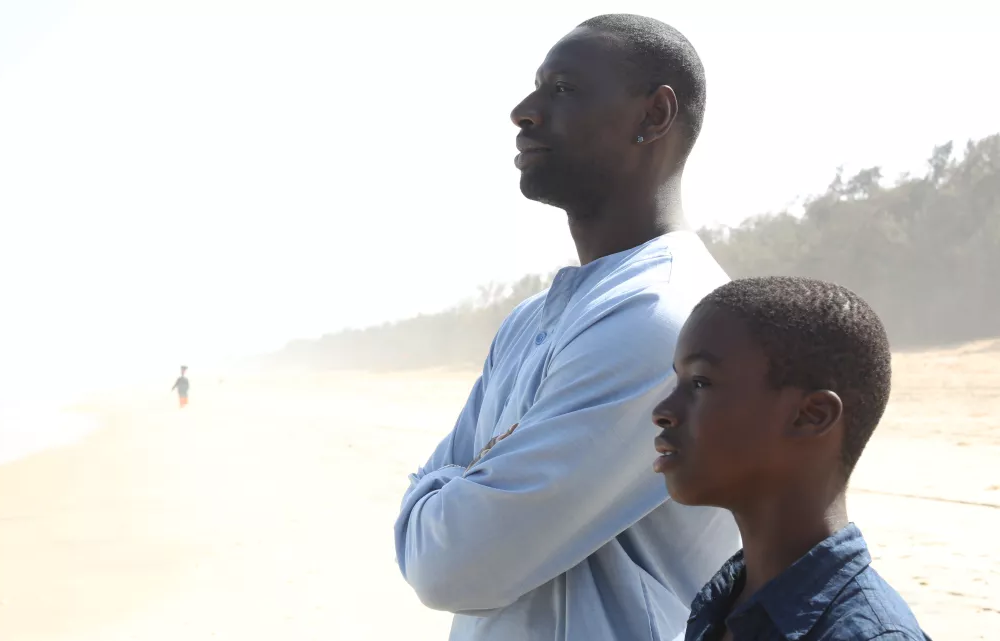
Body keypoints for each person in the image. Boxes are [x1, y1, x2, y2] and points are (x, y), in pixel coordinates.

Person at [394, 14, 740, 641]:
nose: (523, 112)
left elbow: (450, 565)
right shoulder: (531, 320)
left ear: (654, 114)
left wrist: (453, 484)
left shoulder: (664, 315)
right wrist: (461, 493)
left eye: (562, 89)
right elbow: (435, 546)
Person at [652, 277, 931, 641]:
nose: (663, 411)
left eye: (700, 383)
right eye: (677, 382)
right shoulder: (724, 603)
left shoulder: (868, 635)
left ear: (811, 416)